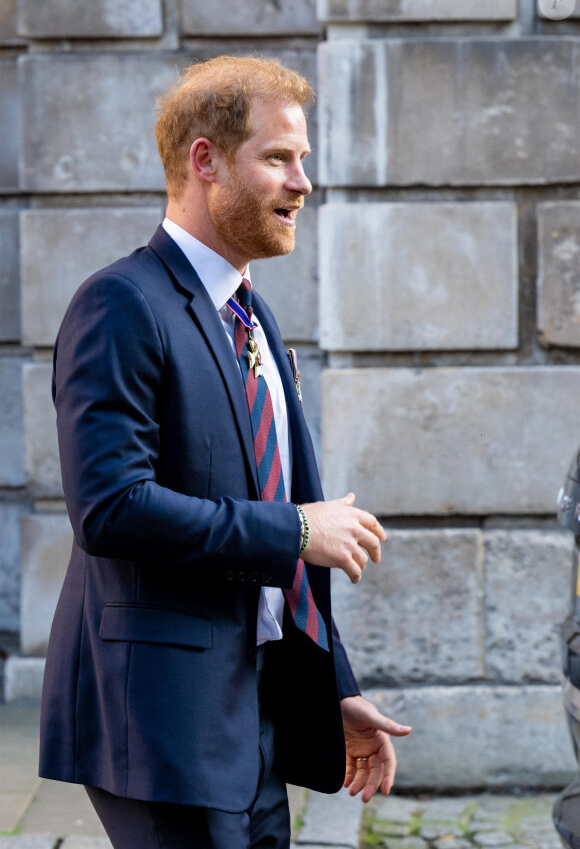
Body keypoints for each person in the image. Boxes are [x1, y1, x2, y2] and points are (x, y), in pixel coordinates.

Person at [39, 55, 412, 849]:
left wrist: (334, 690)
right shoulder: (121, 303)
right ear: (204, 161)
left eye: (303, 159)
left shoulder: (254, 316)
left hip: (260, 717)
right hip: (163, 723)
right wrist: (298, 532)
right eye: (278, 158)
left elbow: (282, 507)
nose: (303, 183)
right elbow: (110, 508)